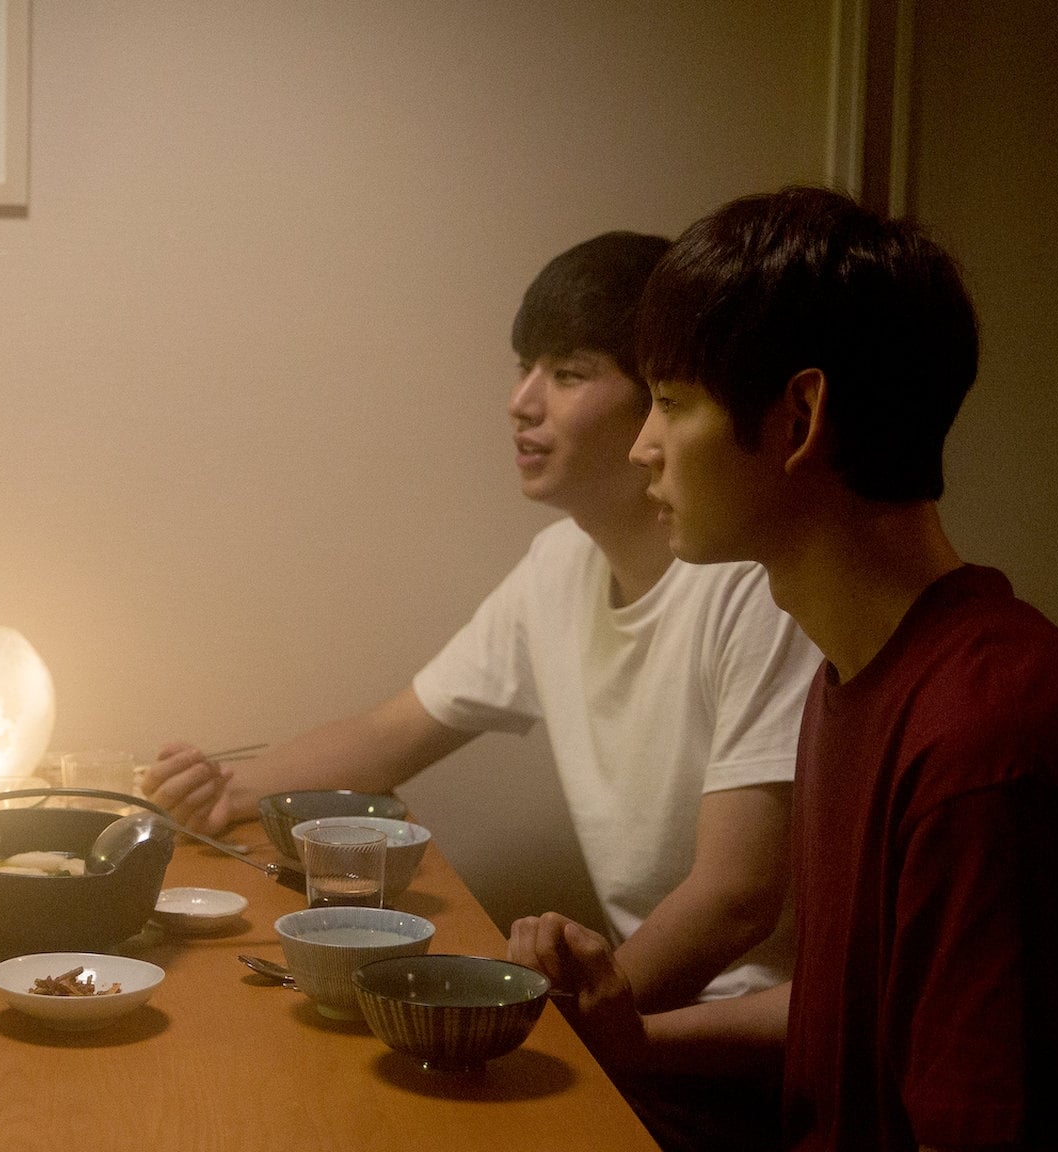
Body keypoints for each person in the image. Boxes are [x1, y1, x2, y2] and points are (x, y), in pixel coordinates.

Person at [509, 185, 1058, 1150]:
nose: (644, 447)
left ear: (800, 417)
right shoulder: (856, 673)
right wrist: (630, 1039)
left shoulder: (988, 748)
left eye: (672, 404)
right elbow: (853, 1014)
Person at [145, 233, 821, 1148]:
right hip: (637, 1027)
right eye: (523, 368)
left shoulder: (750, 586)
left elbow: (737, 895)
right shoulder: (560, 566)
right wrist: (228, 791)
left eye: (569, 373)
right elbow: (392, 732)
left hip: (746, 1062)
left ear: (661, 400)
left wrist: (568, 1015)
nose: (522, 402)